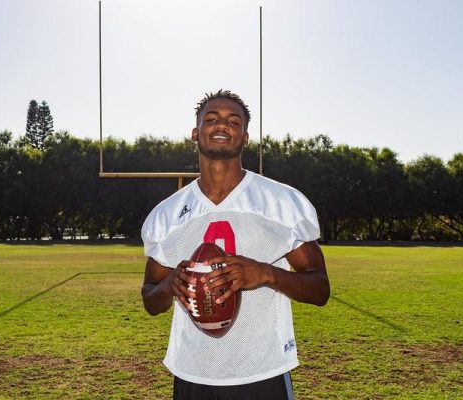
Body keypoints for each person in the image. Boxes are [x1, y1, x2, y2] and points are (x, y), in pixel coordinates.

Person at [141, 89, 330, 400]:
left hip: (262, 369)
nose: (221, 125)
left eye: (233, 121)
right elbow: (150, 299)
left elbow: (320, 289)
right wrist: (169, 286)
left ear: (245, 138)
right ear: (195, 132)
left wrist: (267, 274)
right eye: (211, 119)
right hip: (192, 370)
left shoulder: (283, 202)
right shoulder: (166, 215)